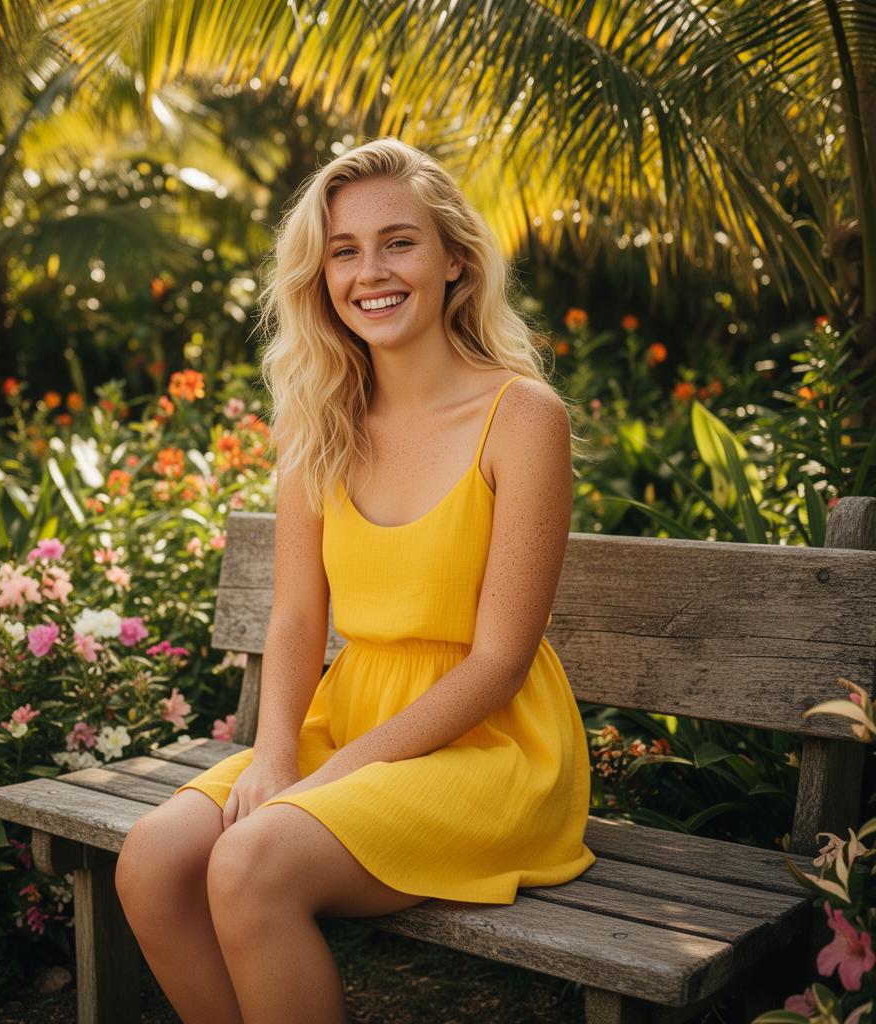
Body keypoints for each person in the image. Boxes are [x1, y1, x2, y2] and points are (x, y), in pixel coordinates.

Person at [115, 136, 596, 1024]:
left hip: (491, 748)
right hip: (353, 718)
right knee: (150, 860)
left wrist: (309, 791)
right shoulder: (317, 421)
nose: (369, 271)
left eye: (399, 242)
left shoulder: (520, 417)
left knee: (249, 864)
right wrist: (273, 756)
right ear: (321, 274)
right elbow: (298, 616)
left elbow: (497, 662)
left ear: (455, 259)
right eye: (343, 250)